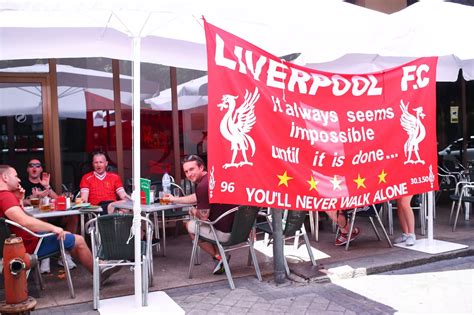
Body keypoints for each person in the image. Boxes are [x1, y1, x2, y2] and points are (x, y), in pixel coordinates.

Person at [0, 164, 94, 275]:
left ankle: (90, 264)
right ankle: (98, 274)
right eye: (15, 176)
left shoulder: (6, 196)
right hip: (30, 245)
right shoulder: (5, 196)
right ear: (5, 178)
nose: (19, 179)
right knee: (79, 240)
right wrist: (54, 228)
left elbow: (21, 220)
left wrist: (20, 200)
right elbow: (24, 221)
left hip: (23, 242)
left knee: (68, 235)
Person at [164, 155, 236, 275]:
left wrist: (193, 211)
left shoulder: (203, 186)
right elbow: (197, 197)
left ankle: (219, 257)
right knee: (207, 224)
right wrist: (175, 199)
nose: (189, 174)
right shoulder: (213, 178)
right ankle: (221, 258)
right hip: (239, 231)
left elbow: (203, 217)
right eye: (186, 171)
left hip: (225, 234)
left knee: (189, 225)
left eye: (192, 169)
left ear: (201, 167)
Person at [23, 158, 79, 273]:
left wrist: (48, 188)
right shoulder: (22, 184)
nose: (34, 168)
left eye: (37, 166)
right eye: (31, 165)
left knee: (73, 217)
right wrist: (33, 199)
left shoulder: (45, 182)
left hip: (52, 217)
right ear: (27, 169)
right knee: (43, 217)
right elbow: (20, 202)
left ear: (41, 169)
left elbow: (58, 199)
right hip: (35, 220)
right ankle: (45, 258)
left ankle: (65, 256)